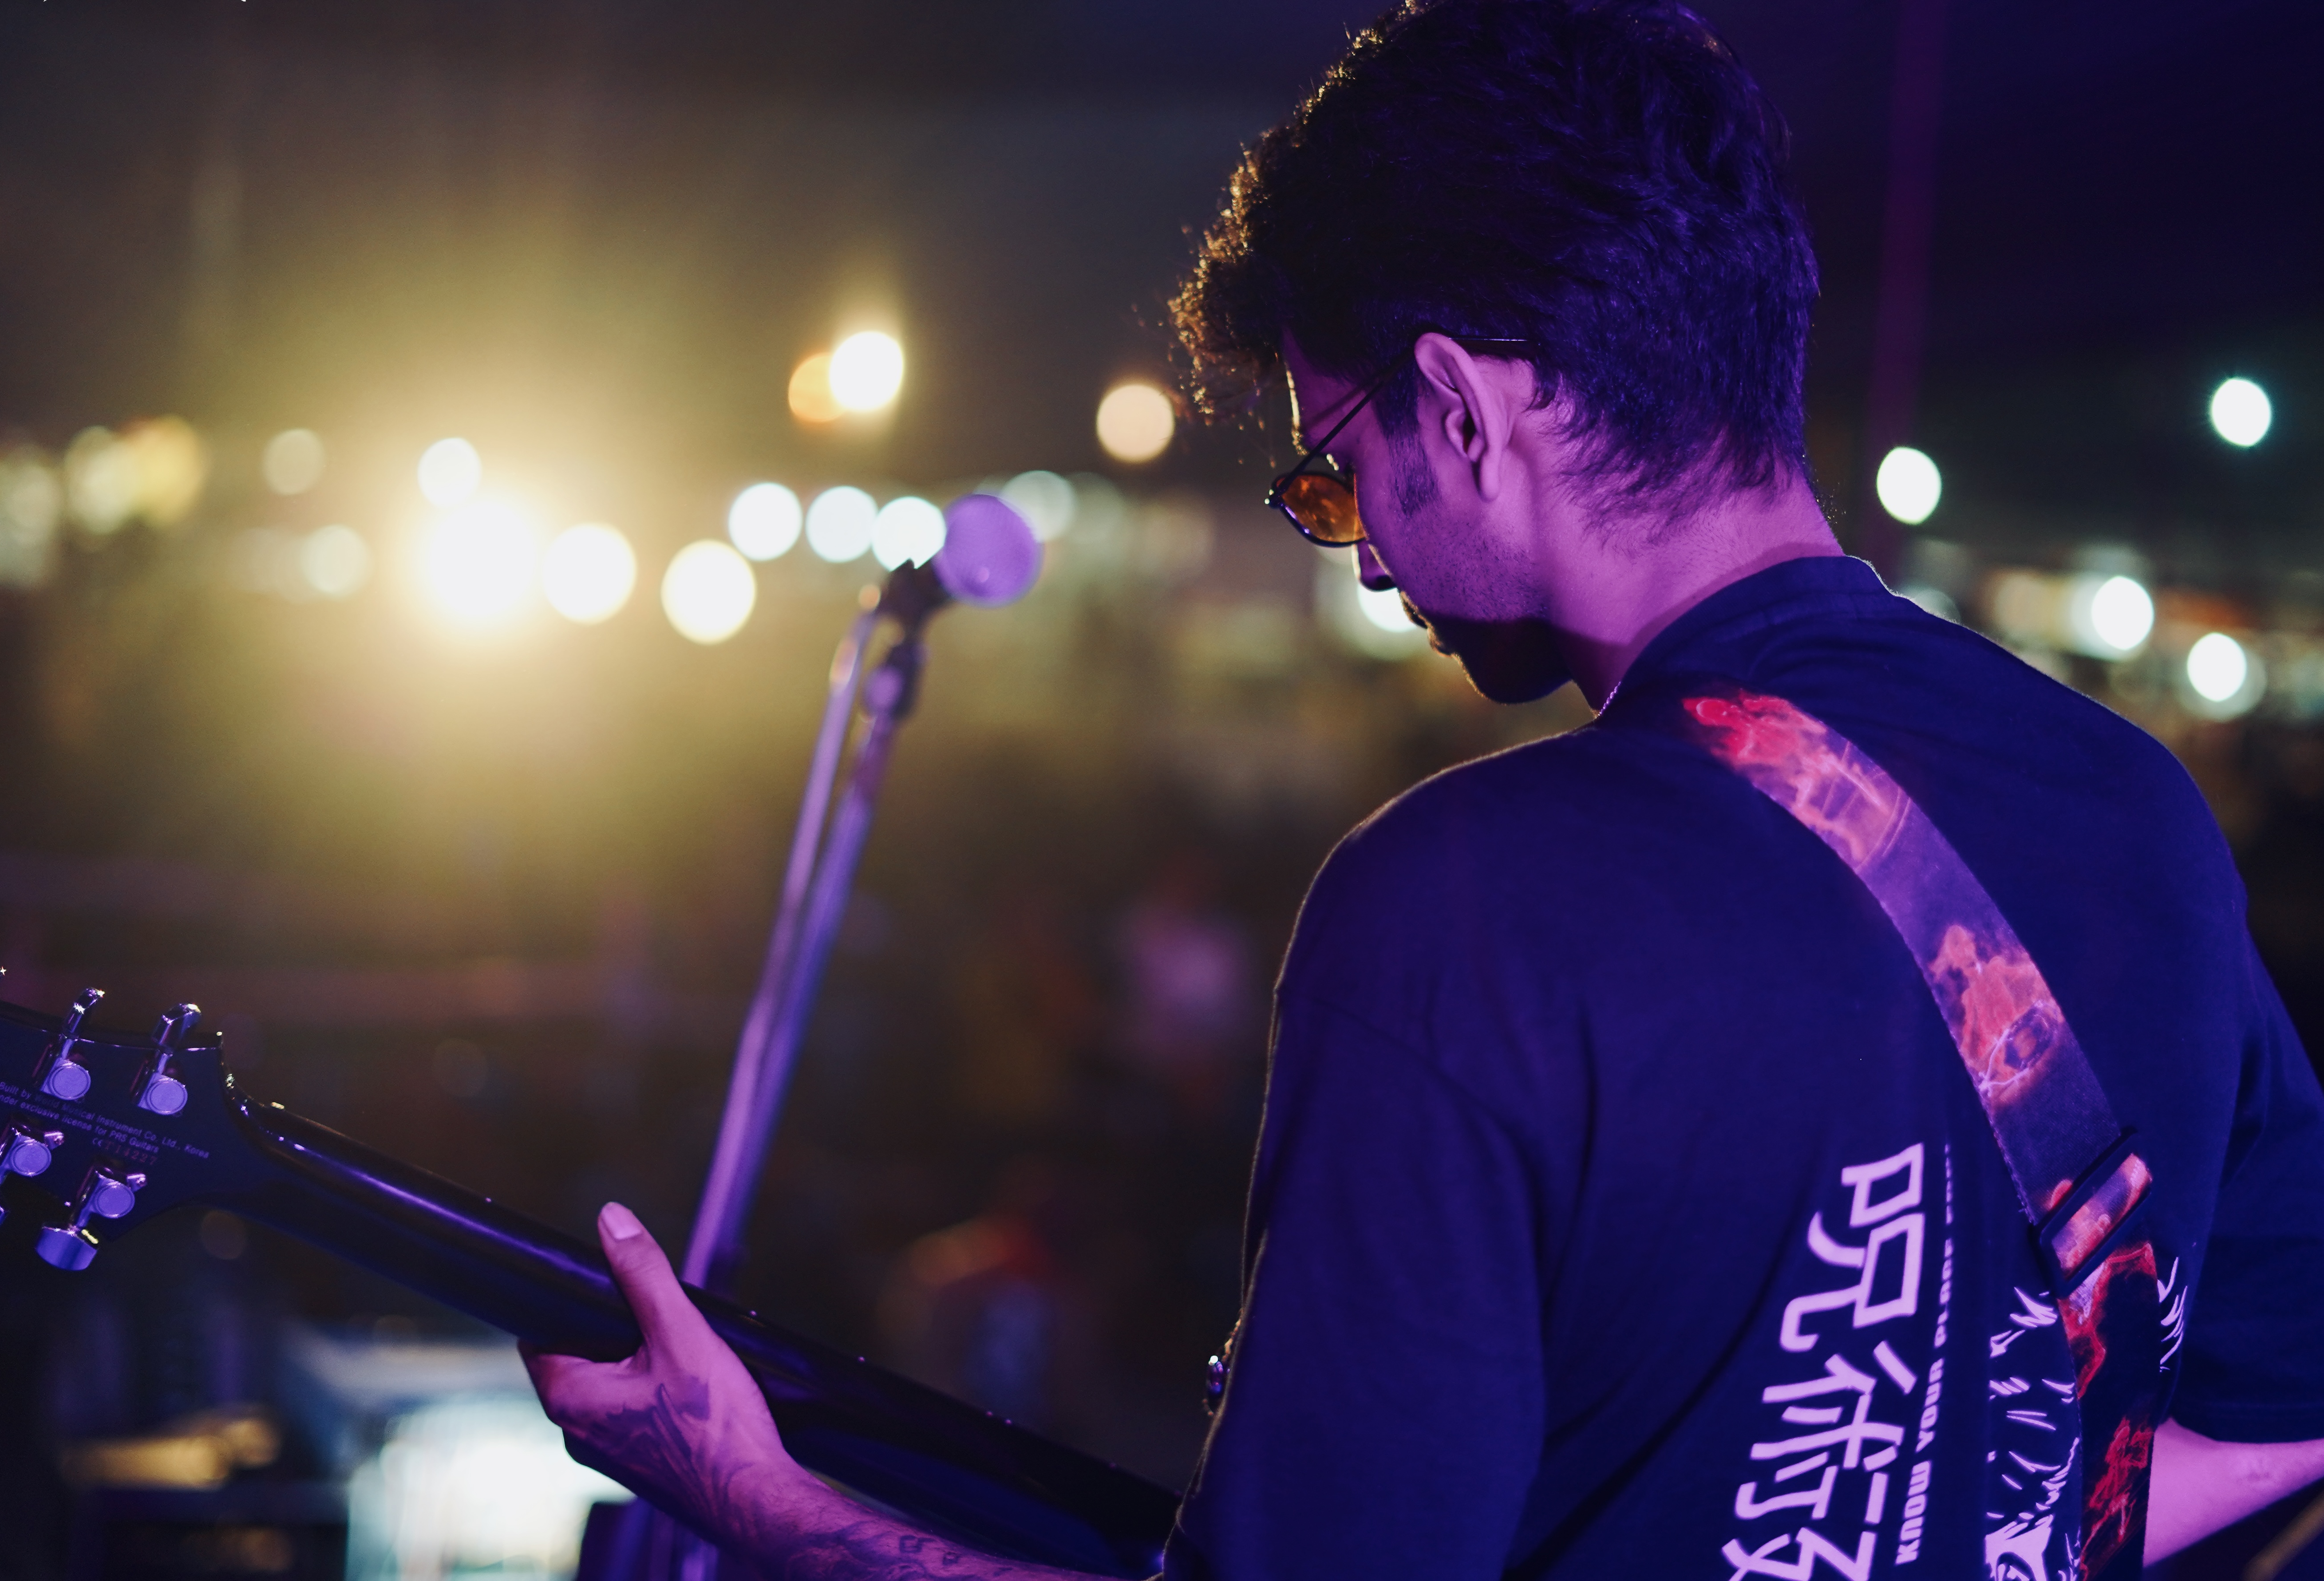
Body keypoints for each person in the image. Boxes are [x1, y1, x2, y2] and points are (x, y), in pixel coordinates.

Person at [527, 1, 2324, 1574]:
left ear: (1460, 406)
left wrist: (760, 1502)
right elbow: (2287, 1405)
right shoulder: (2133, 808)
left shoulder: (1467, 912)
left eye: (1330, 470)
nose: (1361, 550)